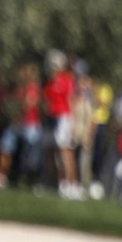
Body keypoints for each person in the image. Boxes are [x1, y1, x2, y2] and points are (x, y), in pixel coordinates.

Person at [44, 50, 79, 198]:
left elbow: (71, 101)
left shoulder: (65, 80)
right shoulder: (49, 82)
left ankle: (71, 184)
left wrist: (72, 123)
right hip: (52, 119)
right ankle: (54, 183)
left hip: (64, 118)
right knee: (51, 152)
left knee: (66, 152)